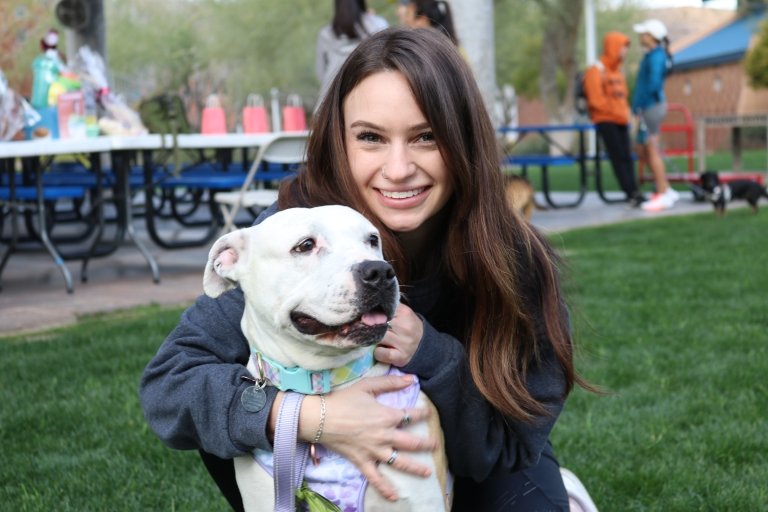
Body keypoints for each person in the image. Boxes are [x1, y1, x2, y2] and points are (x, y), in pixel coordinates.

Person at [141, 27, 597, 511]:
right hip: (312, 445)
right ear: (339, 141)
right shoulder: (288, 240)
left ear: (463, 140)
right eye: (371, 138)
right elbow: (170, 385)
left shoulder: (513, 259)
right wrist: (305, 415)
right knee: (231, 415)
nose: (398, 168)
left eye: (426, 137)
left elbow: (510, 446)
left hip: (478, 470)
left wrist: (428, 353)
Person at [584, 31, 645, 208]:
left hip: (620, 121)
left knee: (627, 157)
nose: (625, 52)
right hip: (606, 121)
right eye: (623, 48)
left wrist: (627, 114)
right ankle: (630, 194)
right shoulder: (595, 71)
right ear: (613, 48)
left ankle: (634, 192)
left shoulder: (617, 72)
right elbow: (596, 100)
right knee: (619, 158)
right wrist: (617, 112)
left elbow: (622, 99)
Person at [631, 18, 678, 212]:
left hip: (651, 107)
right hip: (647, 107)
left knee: (651, 149)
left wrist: (640, 107)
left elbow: (653, 84)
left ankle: (663, 194)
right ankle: (665, 189)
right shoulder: (652, 55)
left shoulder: (656, 56)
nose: (641, 36)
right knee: (642, 149)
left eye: (644, 33)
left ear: (652, 37)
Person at [315, 0, 388, 106]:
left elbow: (321, 73)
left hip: (331, 102)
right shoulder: (378, 24)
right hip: (372, 98)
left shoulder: (325, 34)